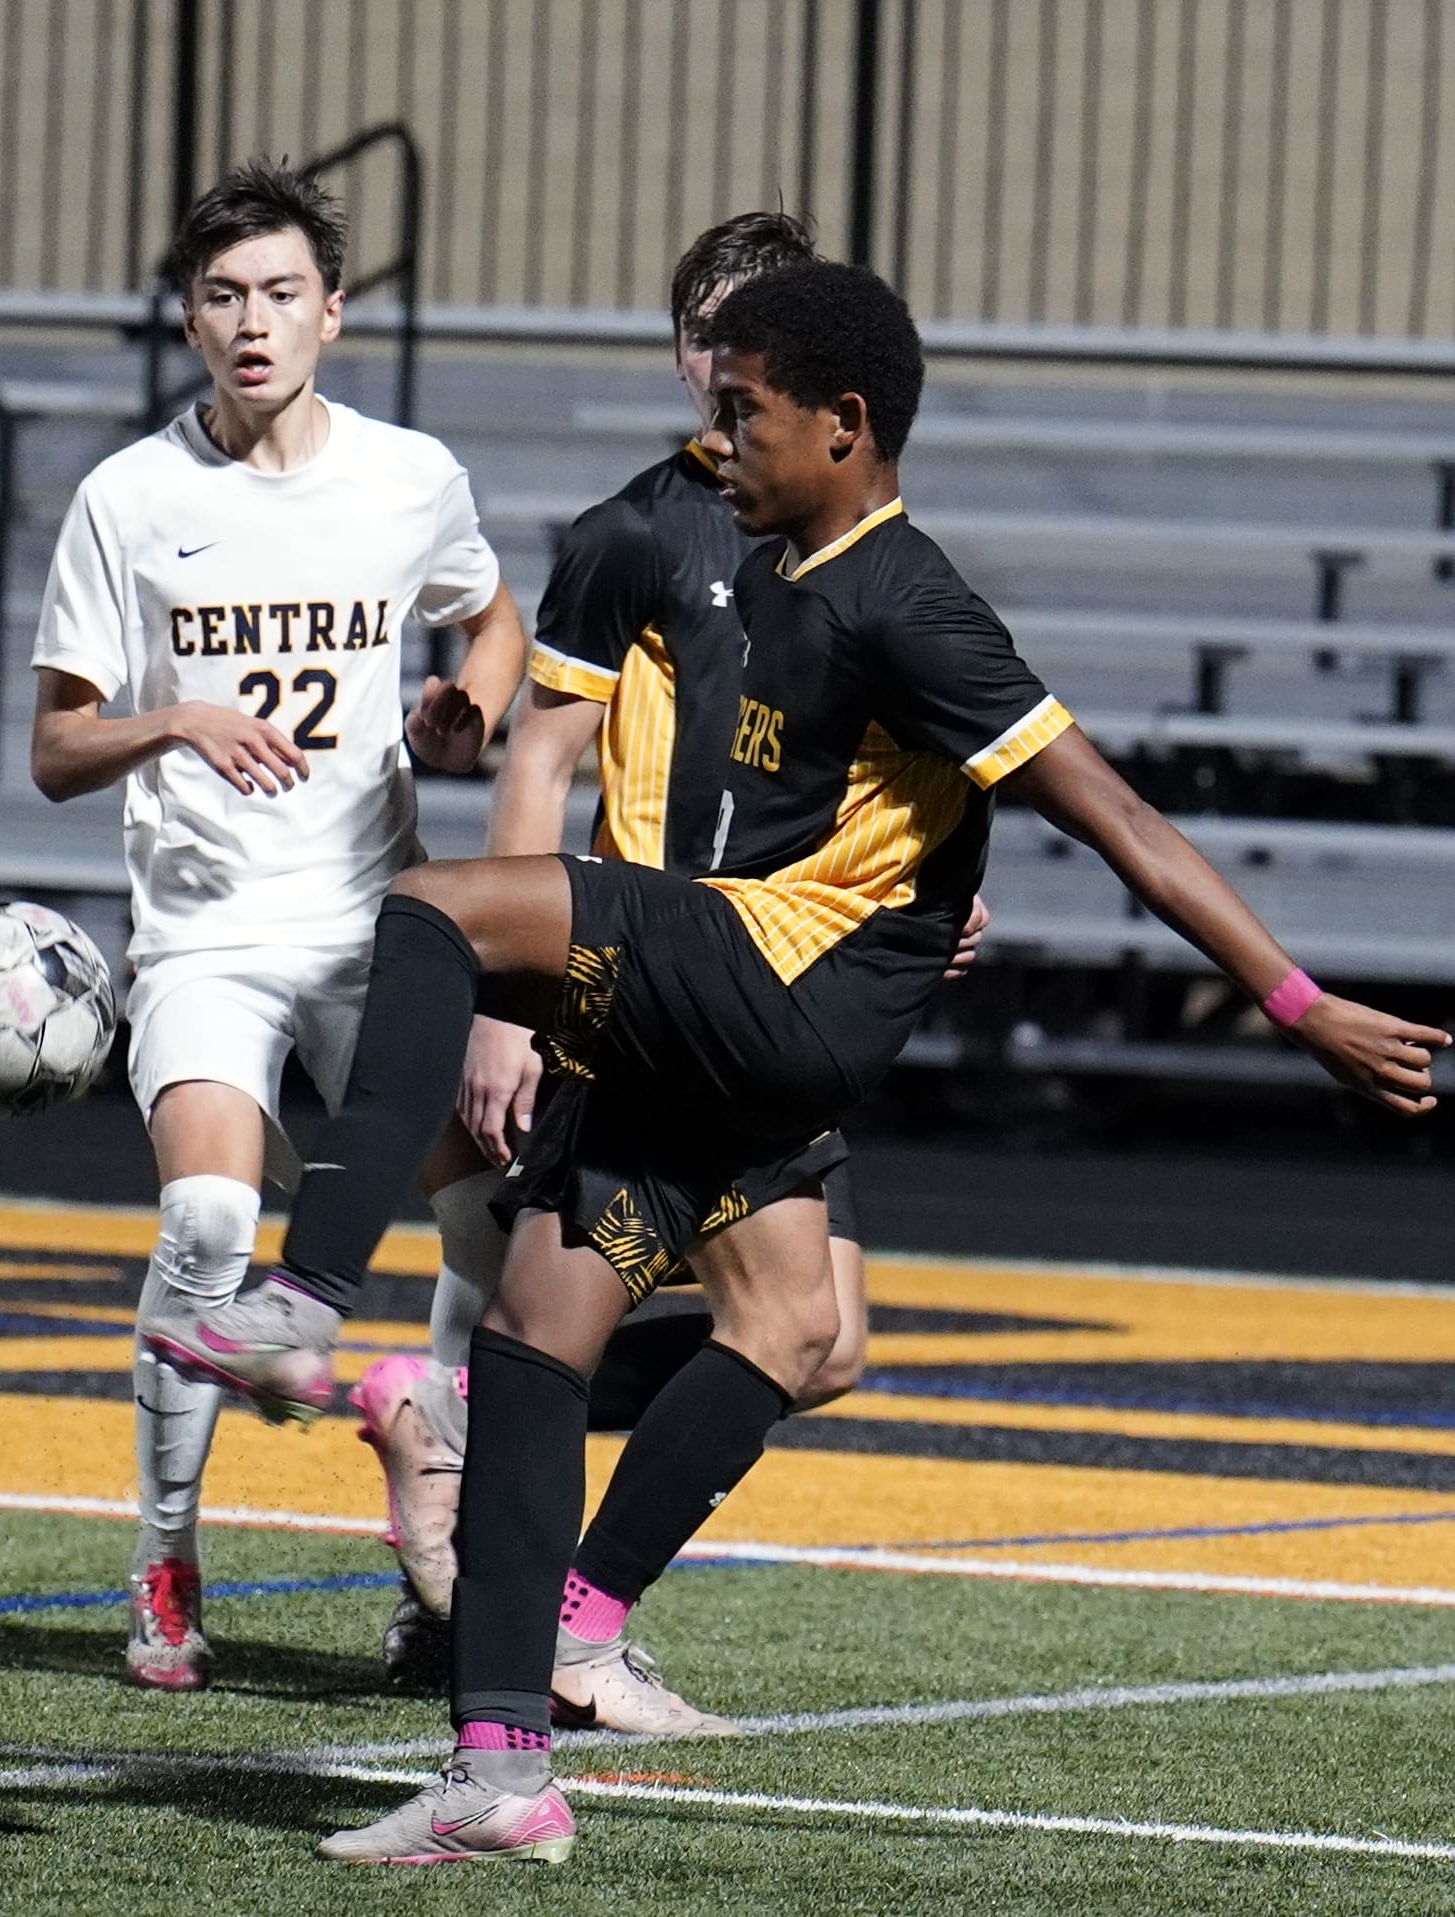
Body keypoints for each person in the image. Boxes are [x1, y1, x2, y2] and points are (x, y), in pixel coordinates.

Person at [151, 260, 1449, 1864]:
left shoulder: (908, 599)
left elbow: (1118, 822)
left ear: (844, 426)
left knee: (431, 911)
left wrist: (1296, 1003)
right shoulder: (737, 563)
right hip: (725, 1023)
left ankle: (301, 1294)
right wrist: (918, 889)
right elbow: (842, 817)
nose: (718, 437)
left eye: (743, 412)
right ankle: (501, 1775)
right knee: (556, 1342)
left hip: (774, 994)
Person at [347, 213, 985, 1731]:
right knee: (705, 1323)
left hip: (768, 978)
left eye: (749, 339)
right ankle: (540, 1642)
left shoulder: (820, 533)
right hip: (643, 978)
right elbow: (543, 760)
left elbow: (887, 751)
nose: (721, 364)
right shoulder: (643, 528)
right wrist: (515, 1002)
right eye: (705, 331)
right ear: (681, 347)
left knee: (813, 1341)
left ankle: (495, 1549)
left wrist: (916, 898)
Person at [29, 156, 525, 1692]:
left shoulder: (405, 476)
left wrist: (473, 707)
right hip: (205, 934)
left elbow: (490, 611)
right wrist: (173, 716)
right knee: (205, 1230)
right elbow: (55, 749)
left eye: (282, 294)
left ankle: (435, 1546)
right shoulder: (130, 497)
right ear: (189, 320)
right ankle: (165, 1560)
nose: (255, 322)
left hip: (382, 928)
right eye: (225, 296)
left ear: (333, 312)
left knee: (493, 1227)